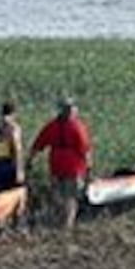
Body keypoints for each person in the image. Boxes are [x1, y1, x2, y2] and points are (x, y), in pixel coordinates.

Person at [26, 98, 92, 230]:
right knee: (70, 197)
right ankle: (66, 225)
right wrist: (89, 167)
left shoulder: (51, 126)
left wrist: (30, 161)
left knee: (58, 195)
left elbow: (38, 145)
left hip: (56, 165)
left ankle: (57, 222)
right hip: (73, 167)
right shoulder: (77, 127)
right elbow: (85, 149)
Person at [0, 101, 25, 194]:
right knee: (10, 194)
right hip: (7, 164)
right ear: (14, 113)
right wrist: (19, 171)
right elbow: (16, 147)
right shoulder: (13, 127)